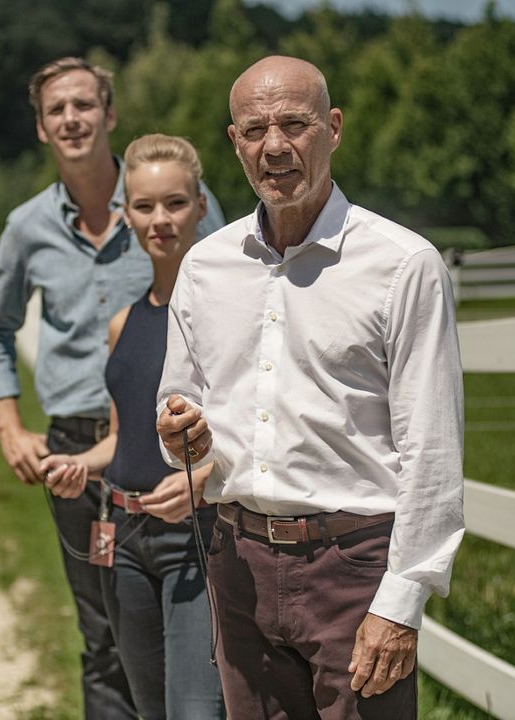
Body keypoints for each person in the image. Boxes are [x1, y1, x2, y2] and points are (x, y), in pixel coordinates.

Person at [155, 55, 465, 720]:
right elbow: (178, 416)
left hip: (352, 570)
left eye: (294, 125)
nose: (274, 147)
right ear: (233, 141)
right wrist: (180, 432)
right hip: (235, 564)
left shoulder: (402, 264)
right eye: (254, 129)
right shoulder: (205, 267)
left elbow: (432, 452)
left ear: (332, 128)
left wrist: (399, 601)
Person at [0, 57, 224, 718]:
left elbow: (234, 302)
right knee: (103, 638)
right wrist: (8, 425)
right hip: (83, 457)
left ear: (109, 115)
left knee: (189, 639)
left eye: (84, 105)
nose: (71, 119)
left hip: (179, 456)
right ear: (40, 129)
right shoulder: (28, 228)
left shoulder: (166, 200)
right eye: (57, 110)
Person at [39, 134, 226, 720]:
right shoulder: (124, 322)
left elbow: (258, 430)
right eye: (144, 207)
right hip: (123, 539)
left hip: (194, 538)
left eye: (174, 203)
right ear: (126, 216)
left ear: (200, 206)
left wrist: (209, 473)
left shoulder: (228, 315)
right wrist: (76, 465)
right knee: (148, 709)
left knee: (195, 711)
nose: (160, 220)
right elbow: (124, 438)